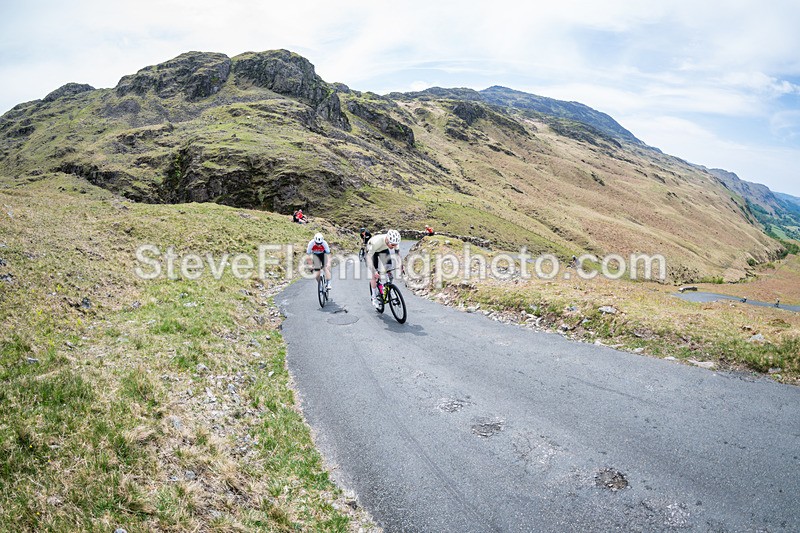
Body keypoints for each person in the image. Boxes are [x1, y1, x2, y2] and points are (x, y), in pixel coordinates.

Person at [366, 229, 404, 309]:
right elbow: (368, 258)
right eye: (392, 245)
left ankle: (389, 291)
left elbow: (398, 254)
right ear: (387, 240)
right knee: (374, 275)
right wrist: (374, 271)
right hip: (373, 251)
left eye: (395, 245)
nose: (393, 247)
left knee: (389, 272)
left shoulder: (394, 242)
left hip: (383, 250)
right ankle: (374, 297)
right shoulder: (376, 242)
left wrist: (401, 266)